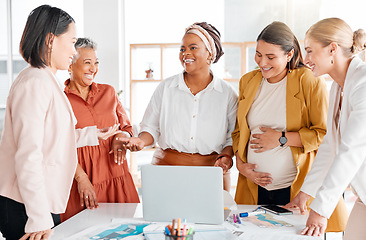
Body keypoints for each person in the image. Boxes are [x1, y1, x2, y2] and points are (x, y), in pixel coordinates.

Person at [0, 5, 120, 240]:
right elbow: (29, 154)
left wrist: (92, 134)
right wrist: (38, 218)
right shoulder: (35, 82)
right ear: (50, 40)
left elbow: (50, 137)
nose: (74, 52)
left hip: (37, 202)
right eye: (72, 41)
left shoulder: (44, 78)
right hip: (27, 207)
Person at [231, 21, 347, 232]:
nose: (262, 62)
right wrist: (241, 166)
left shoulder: (309, 81)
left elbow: (324, 134)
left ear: (289, 54)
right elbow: (239, 132)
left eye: (270, 57)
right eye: (258, 54)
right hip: (254, 187)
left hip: (295, 189)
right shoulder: (248, 81)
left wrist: (281, 138)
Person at [120, 22, 238, 191]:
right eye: (182, 49)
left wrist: (226, 156)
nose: (186, 53)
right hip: (166, 172)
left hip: (211, 174)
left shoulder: (227, 93)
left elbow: (233, 137)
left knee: (209, 218)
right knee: (163, 218)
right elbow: (151, 128)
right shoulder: (166, 88)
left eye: (193, 48)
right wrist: (141, 141)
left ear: (210, 54)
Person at [285, 18, 366, 238]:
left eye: (310, 51)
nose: (306, 58)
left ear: (332, 49)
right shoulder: (338, 87)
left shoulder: (363, 84)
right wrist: (306, 193)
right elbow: (330, 147)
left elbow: (352, 151)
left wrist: (320, 210)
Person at [60, 38, 139, 221]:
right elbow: (59, 145)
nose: (93, 69)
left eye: (96, 63)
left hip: (116, 176)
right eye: (87, 63)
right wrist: (82, 179)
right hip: (82, 182)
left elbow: (127, 127)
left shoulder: (109, 92)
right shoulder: (60, 100)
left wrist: (121, 136)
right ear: (70, 65)